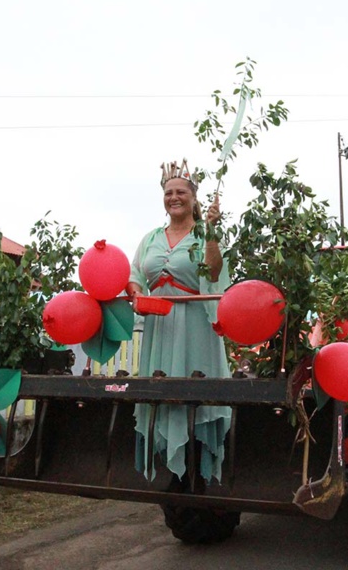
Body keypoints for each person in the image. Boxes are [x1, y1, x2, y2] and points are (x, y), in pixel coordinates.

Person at [127, 159, 232, 486]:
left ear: (193, 197)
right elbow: (134, 276)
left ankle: (199, 466)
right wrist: (135, 295)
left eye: (181, 192)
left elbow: (214, 273)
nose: (174, 197)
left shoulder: (204, 234)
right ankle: (167, 469)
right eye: (169, 192)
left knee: (193, 391)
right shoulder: (151, 238)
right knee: (162, 389)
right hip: (160, 326)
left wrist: (212, 233)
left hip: (195, 327)